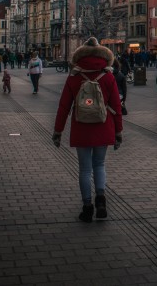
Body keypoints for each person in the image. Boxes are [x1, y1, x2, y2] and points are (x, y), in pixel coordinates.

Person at [52, 37, 123, 222]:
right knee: (99, 164)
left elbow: (63, 106)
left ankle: (87, 207)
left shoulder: (74, 76)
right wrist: (118, 132)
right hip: (103, 125)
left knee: (84, 169)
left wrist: (58, 131)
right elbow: (116, 106)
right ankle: (101, 200)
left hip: (81, 125)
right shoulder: (108, 76)